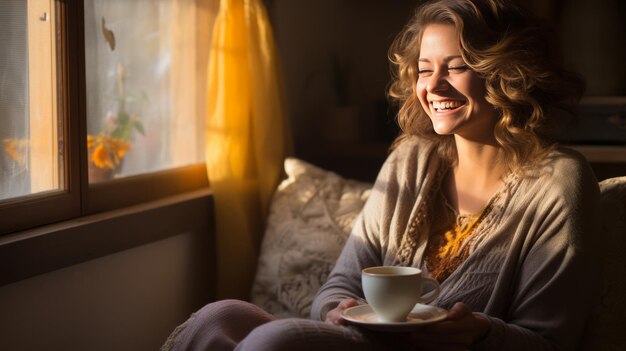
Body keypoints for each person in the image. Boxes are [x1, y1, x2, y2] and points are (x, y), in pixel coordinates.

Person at [162, 0, 602, 350]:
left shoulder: (558, 180)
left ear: (506, 72)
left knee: (279, 339)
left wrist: (482, 333)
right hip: (368, 340)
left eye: (456, 66)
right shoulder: (411, 158)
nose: (433, 86)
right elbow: (339, 285)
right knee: (221, 316)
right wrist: (336, 310)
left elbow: (551, 343)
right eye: (425, 69)